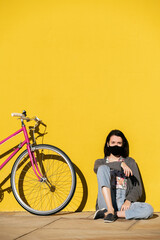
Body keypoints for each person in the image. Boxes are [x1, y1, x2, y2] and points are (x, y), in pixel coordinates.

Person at [93, 129, 153, 223]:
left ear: (123, 145)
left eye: (119, 143)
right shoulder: (100, 162)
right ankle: (109, 209)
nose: (116, 145)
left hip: (123, 203)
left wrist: (128, 200)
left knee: (148, 209)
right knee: (102, 168)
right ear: (108, 144)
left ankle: (111, 214)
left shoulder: (130, 162)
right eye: (113, 142)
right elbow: (98, 169)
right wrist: (120, 164)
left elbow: (138, 188)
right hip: (105, 202)